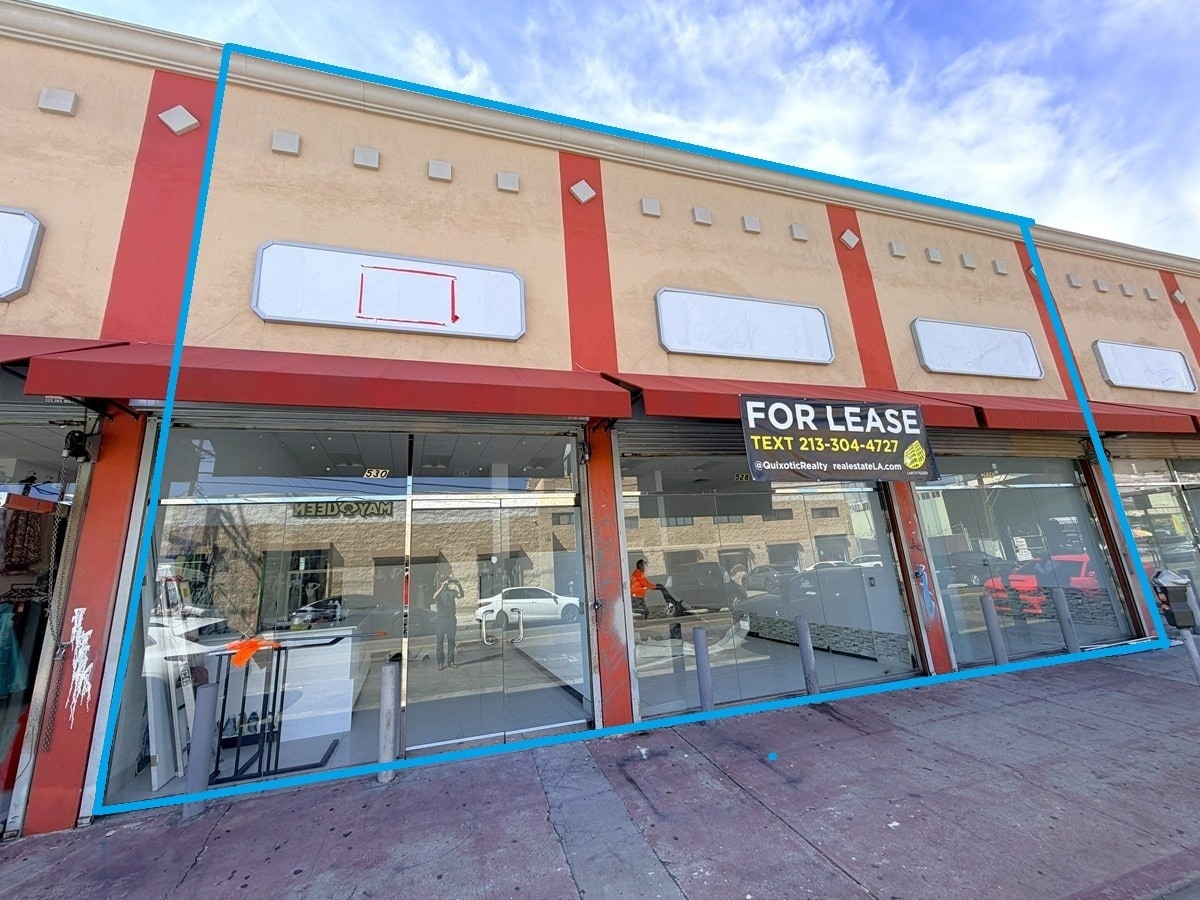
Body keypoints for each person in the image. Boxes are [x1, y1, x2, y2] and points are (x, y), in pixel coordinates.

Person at [433, 573, 463, 670]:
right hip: (441, 620)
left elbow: (461, 595)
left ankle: (451, 662)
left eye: (447, 581)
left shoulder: (452, 592)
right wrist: (442, 586)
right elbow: (434, 597)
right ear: (441, 582)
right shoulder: (439, 592)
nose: (446, 583)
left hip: (451, 619)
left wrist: (459, 585)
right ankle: (440, 663)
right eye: (443, 581)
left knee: (451, 641)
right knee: (440, 641)